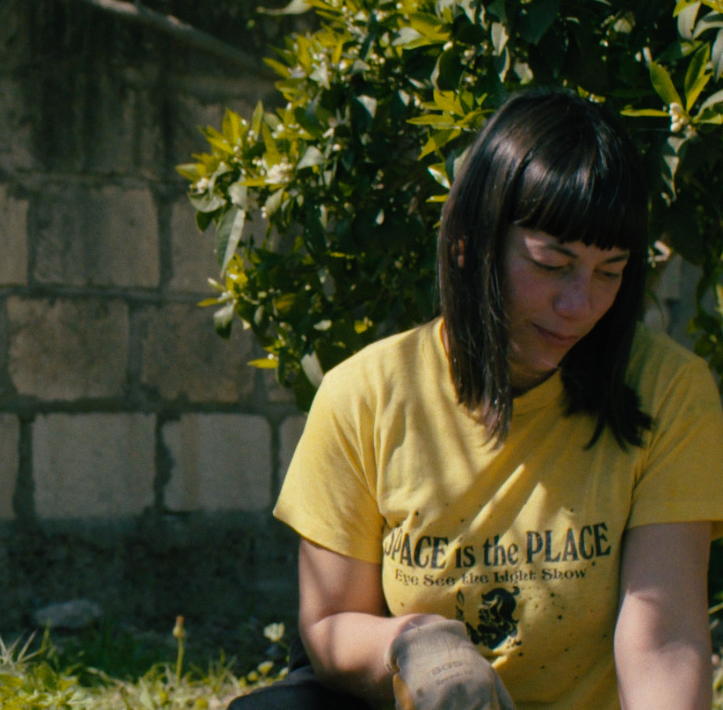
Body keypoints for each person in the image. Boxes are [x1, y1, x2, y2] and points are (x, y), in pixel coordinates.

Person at [232, 91, 723, 710]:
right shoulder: (364, 394)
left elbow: (665, 637)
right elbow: (329, 625)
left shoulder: (670, 392)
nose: (579, 306)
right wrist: (411, 646)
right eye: (552, 264)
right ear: (470, 242)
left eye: (610, 272)